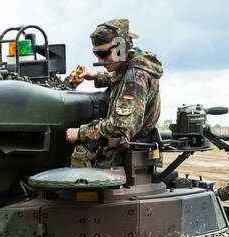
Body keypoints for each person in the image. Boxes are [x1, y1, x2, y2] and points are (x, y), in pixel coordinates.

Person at [66, 19, 163, 168]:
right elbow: (119, 77)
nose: (99, 60)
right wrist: (96, 76)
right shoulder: (129, 65)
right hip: (128, 155)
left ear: (121, 48)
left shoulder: (135, 77)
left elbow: (120, 126)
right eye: (96, 54)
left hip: (130, 161)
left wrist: (81, 133)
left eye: (104, 54)